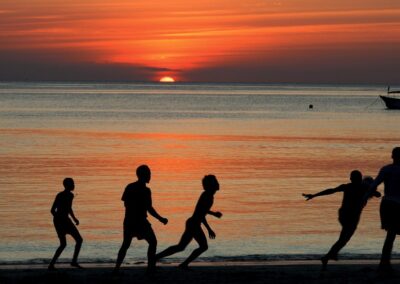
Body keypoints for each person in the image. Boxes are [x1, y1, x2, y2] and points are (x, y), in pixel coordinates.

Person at [303, 170, 380, 270]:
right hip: (352, 216)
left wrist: (314, 195)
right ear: (360, 179)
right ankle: (328, 256)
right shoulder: (363, 187)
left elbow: (331, 190)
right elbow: (378, 194)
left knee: (344, 238)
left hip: (343, 214)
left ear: (351, 179)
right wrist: (372, 189)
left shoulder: (347, 186)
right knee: (344, 238)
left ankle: (330, 255)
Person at [155, 175, 222, 269]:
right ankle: (182, 264)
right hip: (194, 224)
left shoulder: (208, 195)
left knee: (181, 247)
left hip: (193, 223)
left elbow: (203, 210)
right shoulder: (207, 196)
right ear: (211, 185)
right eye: (215, 182)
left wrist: (213, 214)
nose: (217, 183)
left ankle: (156, 257)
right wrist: (209, 229)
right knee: (202, 246)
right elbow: (201, 213)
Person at [114, 165, 168, 274]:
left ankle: (116, 269)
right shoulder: (146, 190)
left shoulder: (130, 187)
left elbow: (126, 204)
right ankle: (150, 268)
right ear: (143, 175)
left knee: (126, 244)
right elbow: (149, 208)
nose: (150, 176)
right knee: (152, 242)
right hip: (140, 221)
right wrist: (160, 219)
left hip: (129, 220)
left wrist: (159, 218)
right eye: (148, 174)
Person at [364, 147, 400, 273]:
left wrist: (364, 198)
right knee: (391, 235)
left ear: (392, 156)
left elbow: (374, 185)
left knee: (390, 235)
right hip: (396, 205)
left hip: (386, 204)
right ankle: (385, 265)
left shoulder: (386, 169)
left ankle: (384, 264)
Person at [49, 178, 83, 270]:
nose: (74, 185)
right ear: (67, 185)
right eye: (72, 183)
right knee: (65, 243)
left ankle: (73, 261)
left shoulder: (69, 195)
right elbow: (52, 210)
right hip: (61, 221)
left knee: (78, 240)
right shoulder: (62, 195)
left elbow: (68, 208)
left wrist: (74, 218)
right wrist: (59, 219)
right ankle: (52, 264)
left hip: (64, 220)